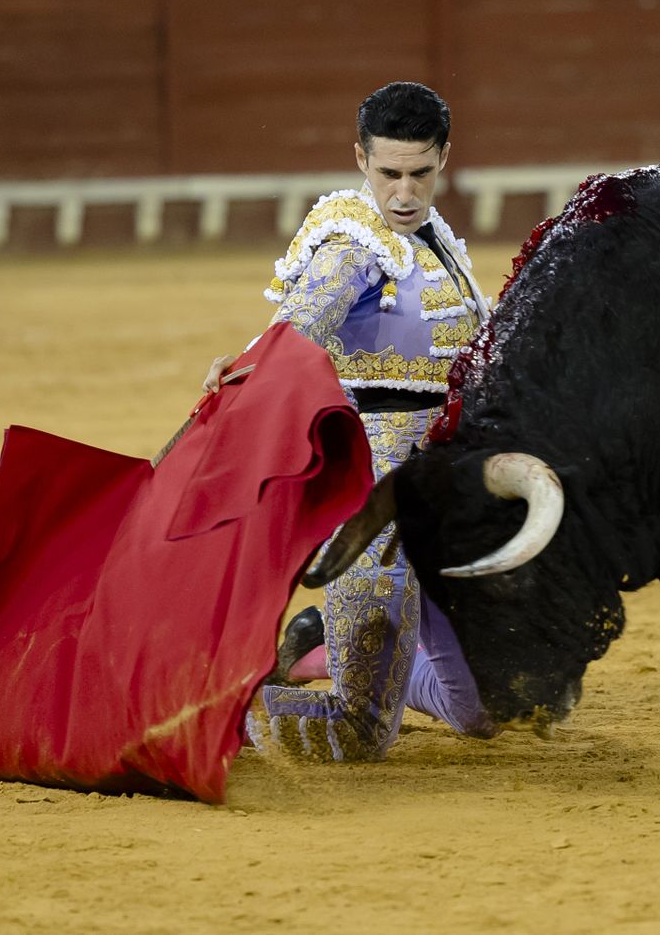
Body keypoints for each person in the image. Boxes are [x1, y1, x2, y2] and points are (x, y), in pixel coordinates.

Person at [207, 82, 498, 761]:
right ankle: (189, 712)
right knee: (359, 731)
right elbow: (307, 316)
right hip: (374, 512)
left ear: (444, 157)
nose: (404, 192)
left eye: (420, 173)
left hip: (444, 504)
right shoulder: (353, 243)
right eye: (389, 173)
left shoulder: (432, 236)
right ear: (361, 159)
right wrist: (254, 362)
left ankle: (315, 650)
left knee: (483, 710)